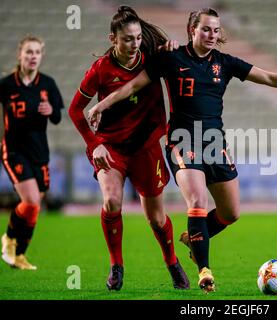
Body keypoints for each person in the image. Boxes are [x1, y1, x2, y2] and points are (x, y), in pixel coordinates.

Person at [87, 7, 277, 293]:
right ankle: (204, 270)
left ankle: (192, 238)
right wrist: (100, 105)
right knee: (197, 201)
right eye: (205, 29)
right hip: (182, 140)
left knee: (231, 213)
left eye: (216, 30)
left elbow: (267, 77)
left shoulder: (225, 63)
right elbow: (133, 85)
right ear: (192, 30)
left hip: (215, 143)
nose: (211, 34)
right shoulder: (172, 58)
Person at [68, 6, 189, 291]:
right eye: (127, 39)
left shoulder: (153, 58)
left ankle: (172, 262)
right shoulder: (101, 70)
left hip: (146, 147)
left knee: (157, 219)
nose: (134, 44)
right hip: (111, 147)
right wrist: (94, 144)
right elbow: (75, 110)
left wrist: (172, 46)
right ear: (113, 39)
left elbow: (181, 56)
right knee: (111, 201)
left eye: (137, 38)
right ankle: (116, 266)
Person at [0, 35, 64, 270]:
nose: (33, 56)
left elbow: (57, 117)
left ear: (41, 56)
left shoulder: (48, 84)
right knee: (32, 200)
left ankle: (19, 255)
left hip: (40, 153)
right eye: (28, 52)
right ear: (20, 55)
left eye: (37, 52)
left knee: (35, 205)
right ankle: (8, 238)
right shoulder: (7, 85)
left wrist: (50, 110)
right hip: (15, 150)